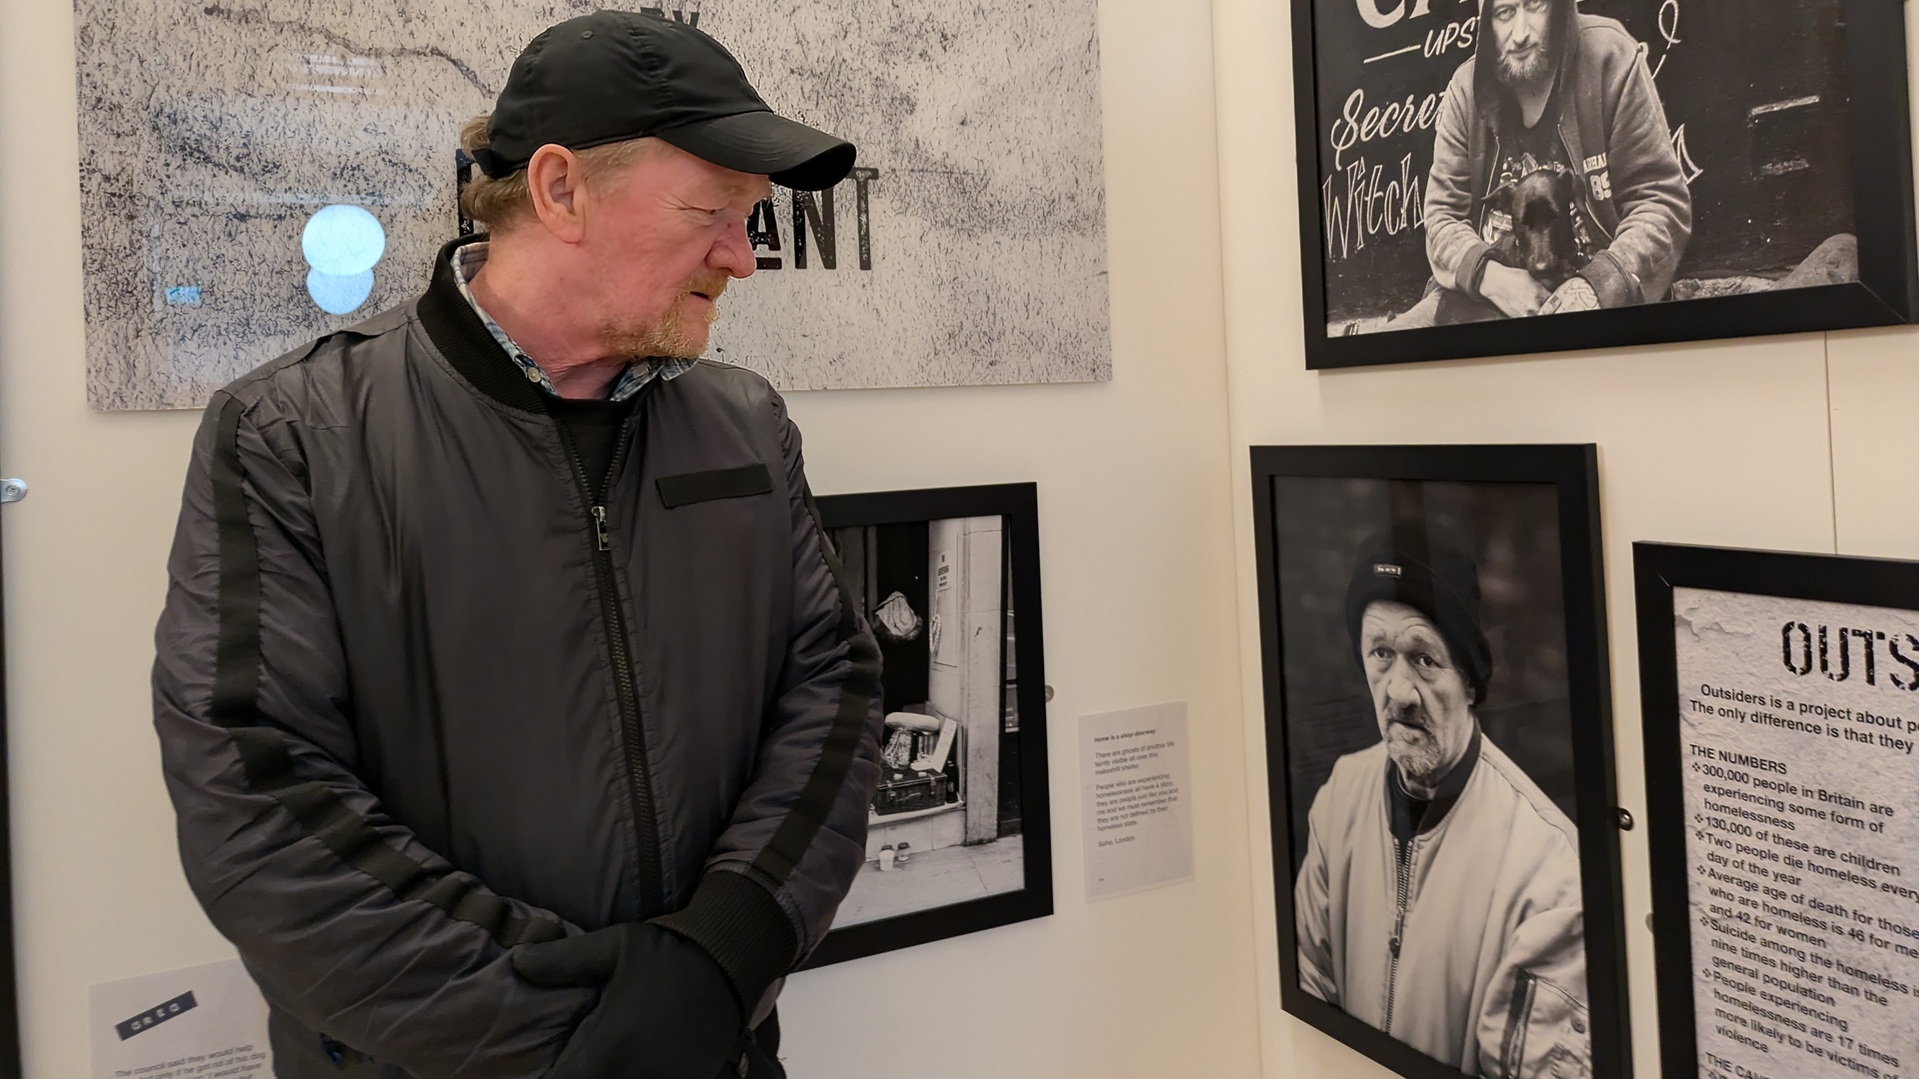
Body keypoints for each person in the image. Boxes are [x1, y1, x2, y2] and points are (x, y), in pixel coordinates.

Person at [151, 12, 883, 1078]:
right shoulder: (295, 439)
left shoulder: (745, 423)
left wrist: (722, 954)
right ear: (558, 189)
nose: (742, 257)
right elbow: (257, 799)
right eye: (715, 213)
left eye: (753, 219)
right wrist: (593, 1040)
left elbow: (833, 691)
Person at [1293, 534, 1588, 1078]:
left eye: (1425, 659)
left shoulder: (1548, 872)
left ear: (1469, 682)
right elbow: (1311, 985)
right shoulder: (1341, 795)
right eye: (1381, 654)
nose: (1399, 691)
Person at [1422, 0, 1692, 324]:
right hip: (1492, 302)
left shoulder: (1611, 57)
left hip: (1598, 303)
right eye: (1505, 12)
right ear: (1485, 20)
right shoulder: (1465, 89)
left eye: (1535, 5)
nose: (1520, 34)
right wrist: (1492, 279)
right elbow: (1441, 218)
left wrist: (1599, 285)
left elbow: (1660, 202)